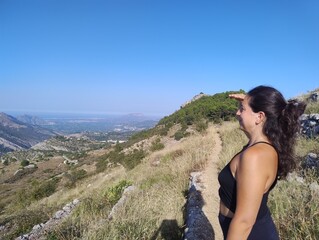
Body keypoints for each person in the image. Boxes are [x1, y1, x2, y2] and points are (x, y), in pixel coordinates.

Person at [218, 85, 306, 240]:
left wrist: (252, 102)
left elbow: (244, 221)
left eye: (242, 109)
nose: (237, 112)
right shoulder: (260, 146)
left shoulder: (255, 156)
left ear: (259, 117)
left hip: (250, 234)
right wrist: (250, 101)